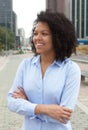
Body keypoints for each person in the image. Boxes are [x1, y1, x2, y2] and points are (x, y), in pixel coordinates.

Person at [7, 10, 81, 130]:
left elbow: (64, 116)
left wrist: (27, 106)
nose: (37, 38)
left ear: (58, 37)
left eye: (44, 34)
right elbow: (11, 103)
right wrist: (44, 109)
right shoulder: (25, 66)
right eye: (35, 34)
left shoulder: (71, 70)